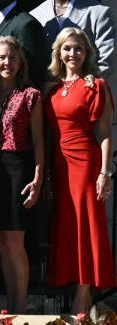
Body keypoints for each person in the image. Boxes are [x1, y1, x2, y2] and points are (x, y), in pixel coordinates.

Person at [45, 27, 116, 314]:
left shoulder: (96, 85)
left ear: (86, 53)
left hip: (85, 164)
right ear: (58, 53)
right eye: (67, 48)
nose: (72, 54)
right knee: (67, 226)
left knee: (86, 225)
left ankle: (84, 296)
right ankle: (74, 288)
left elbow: (105, 132)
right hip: (59, 165)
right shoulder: (52, 87)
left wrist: (104, 172)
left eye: (78, 49)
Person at [0, 36, 44, 314]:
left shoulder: (31, 96)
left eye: (13, 57)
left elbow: (39, 140)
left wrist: (38, 178)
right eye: (2, 57)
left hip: (19, 168)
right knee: (2, 241)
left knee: (16, 240)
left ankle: (21, 306)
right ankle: (11, 306)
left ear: (21, 62)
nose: (7, 62)